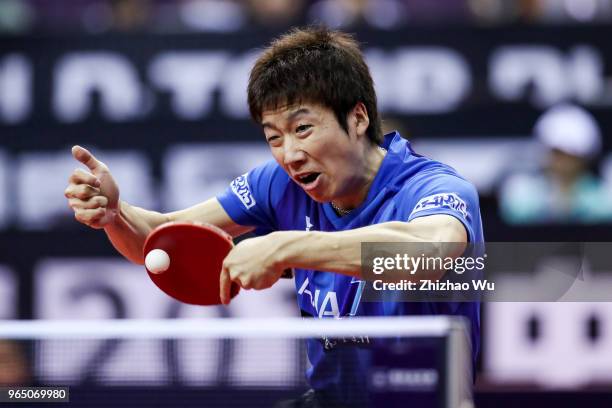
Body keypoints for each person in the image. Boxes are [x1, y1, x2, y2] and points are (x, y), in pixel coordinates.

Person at [64, 26, 483, 407]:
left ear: (358, 118)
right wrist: (115, 214)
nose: (289, 154)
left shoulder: (432, 187)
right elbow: (161, 241)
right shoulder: (279, 183)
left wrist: (284, 246)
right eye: (273, 137)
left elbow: (429, 250)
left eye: (302, 129)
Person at [499, 103, 612, 224]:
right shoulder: (520, 192)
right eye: (557, 153)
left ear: (585, 158)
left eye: (571, 155)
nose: (563, 162)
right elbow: (515, 212)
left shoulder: (605, 197)